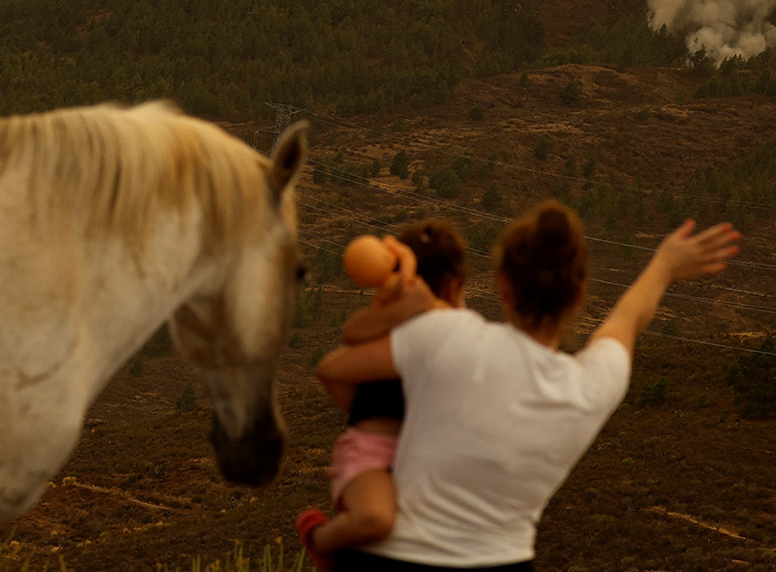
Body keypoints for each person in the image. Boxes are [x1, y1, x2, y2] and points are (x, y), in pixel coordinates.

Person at [313, 202, 739, 571]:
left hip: (389, 563)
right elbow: (627, 320)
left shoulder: (445, 336)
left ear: (503, 286)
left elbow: (339, 364)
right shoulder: (592, 386)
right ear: (577, 298)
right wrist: (663, 266)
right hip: (503, 565)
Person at [296, 220, 467, 572]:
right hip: (372, 451)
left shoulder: (449, 326)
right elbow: (350, 334)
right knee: (375, 520)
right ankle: (319, 538)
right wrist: (408, 304)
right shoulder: (396, 322)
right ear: (454, 282)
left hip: (419, 454)